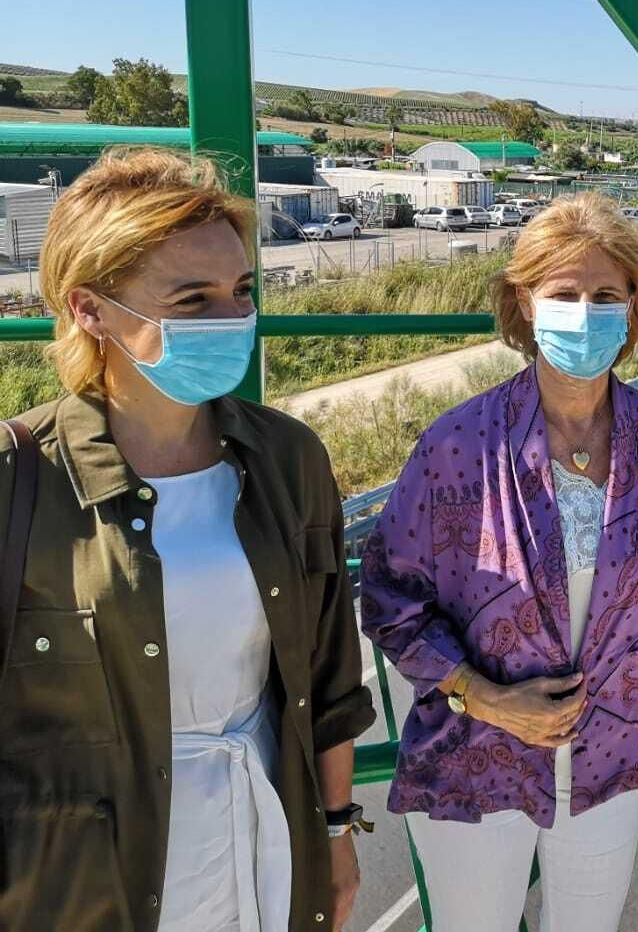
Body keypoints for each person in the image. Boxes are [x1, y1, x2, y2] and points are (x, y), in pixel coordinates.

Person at [0, 148, 375, 932]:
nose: (232, 320)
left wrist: (337, 835)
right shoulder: (19, 476)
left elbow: (332, 675)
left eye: (240, 292)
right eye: (193, 299)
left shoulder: (286, 459)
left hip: (267, 844)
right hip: (86, 885)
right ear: (90, 310)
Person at [360, 192, 638, 931]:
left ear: (635, 304)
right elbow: (389, 595)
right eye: (563, 293)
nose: (585, 311)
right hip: (479, 749)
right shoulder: (458, 445)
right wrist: (479, 693)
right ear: (523, 303)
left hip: (612, 755)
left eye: (606, 294)